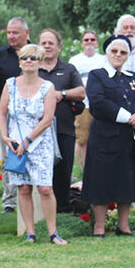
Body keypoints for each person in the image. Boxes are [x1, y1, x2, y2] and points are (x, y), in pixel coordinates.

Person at [0, 44, 66, 244]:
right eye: (25, 58)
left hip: (40, 143)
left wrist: (29, 140)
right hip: (16, 144)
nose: (28, 61)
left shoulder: (47, 87)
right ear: (19, 62)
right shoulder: (10, 84)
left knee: (45, 188)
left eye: (33, 58)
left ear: (40, 62)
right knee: (23, 188)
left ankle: (53, 232)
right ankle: (30, 233)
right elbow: (2, 112)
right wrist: (4, 135)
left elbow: (47, 118)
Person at [82, 35, 135, 237]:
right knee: (101, 180)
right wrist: (130, 117)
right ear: (107, 52)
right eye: (114, 51)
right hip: (104, 135)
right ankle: (100, 226)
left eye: (123, 52)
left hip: (128, 137)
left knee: (127, 180)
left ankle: (124, 225)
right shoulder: (97, 75)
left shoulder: (133, 78)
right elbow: (98, 102)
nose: (118, 55)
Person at [38, 29, 84, 213]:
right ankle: (41, 214)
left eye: (51, 43)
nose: (47, 46)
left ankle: (63, 211)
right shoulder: (32, 68)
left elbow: (81, 92)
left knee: (63, 172)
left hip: (64, 129)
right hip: (38, 131)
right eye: (44, 43)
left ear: (59, 47)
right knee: (42, 173)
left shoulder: (69, 69)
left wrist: (62, 94)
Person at [0, 17, 29, 214]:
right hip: (8, 116)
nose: (11, 36)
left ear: (26, 34)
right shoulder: (0, 55)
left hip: (33, 116)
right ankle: (9, 201)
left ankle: (35, 197)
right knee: (9, 159)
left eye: (15, 32)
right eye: (8, 32)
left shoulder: (36, 53)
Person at [68, 29, 105, 166]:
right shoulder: (74, 60)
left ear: (97, 43)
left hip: (100, 104)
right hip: (82, 105)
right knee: (83, 139)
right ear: (82, 43)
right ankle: (83, 171)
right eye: (86, 40)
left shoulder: (103, 59)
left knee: (100, 139)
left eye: (92, 40)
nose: (89, 42)